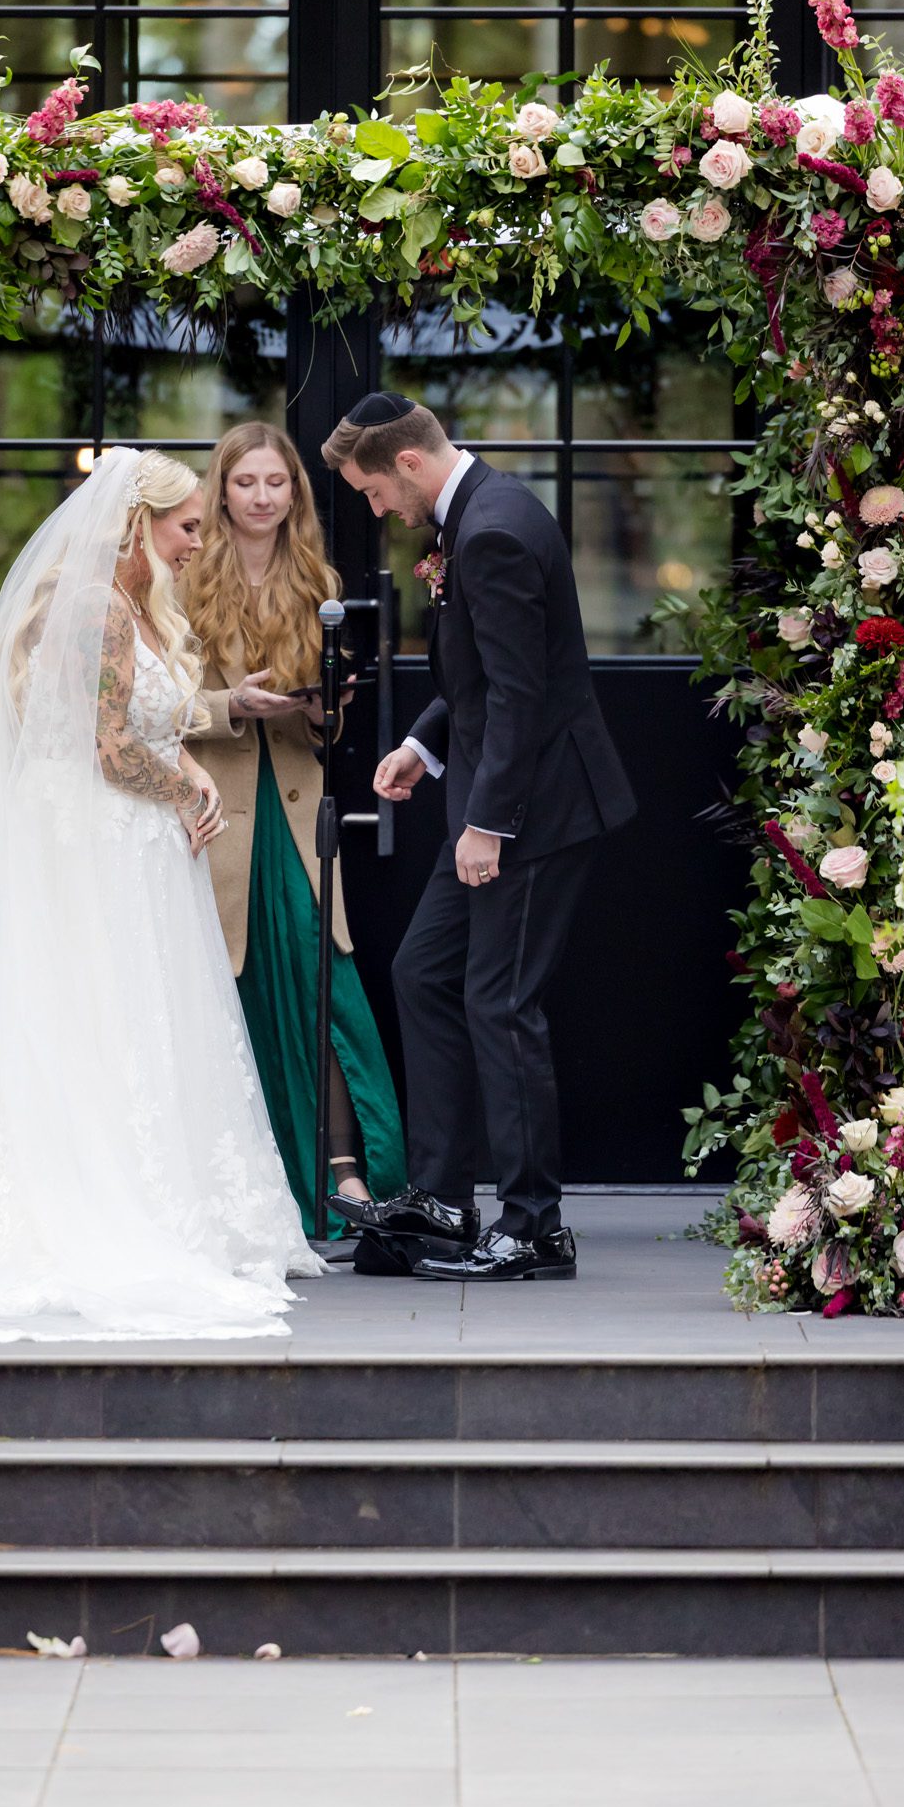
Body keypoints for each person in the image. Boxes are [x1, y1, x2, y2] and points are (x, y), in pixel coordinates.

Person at [0, 447, 322, 1343]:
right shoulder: (94, 607)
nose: (195, 543)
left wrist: (182, 774)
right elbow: (107, 748)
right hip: (101, 846)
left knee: (131, 1024)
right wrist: (185, 787)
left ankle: (156, 1199)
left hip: (130, 843)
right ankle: (90, 1213)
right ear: (137, 523)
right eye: (185, 527)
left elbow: (141, 730)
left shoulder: (128, 604)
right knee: (98, 1019)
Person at [321, 393, 636, 1283]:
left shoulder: (491, 530)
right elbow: (482, 676)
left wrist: (486, 823)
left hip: (537, 812)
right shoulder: (478, 513)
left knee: (499, 1004)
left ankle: (534, 1227)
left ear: (409, 465)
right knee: (423, 972)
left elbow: (519, 695)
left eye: (374, 492)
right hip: (502, 797)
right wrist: (423, 744)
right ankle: (445, 1199)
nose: (377, 510)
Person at [186, 421, 405, 1235]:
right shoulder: (184, 579)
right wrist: (228, 705)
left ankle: (347, 1172)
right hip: (216, 820)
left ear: (295, 494)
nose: (262, 497)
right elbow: (150, 709)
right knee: (226, 993)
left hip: (297, 812)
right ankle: (239, 1183)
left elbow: (330, 729)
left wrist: (325, 706)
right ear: (221, 491)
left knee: (324, 990)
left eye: (276, 483)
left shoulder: (319, 576)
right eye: (246, 482)